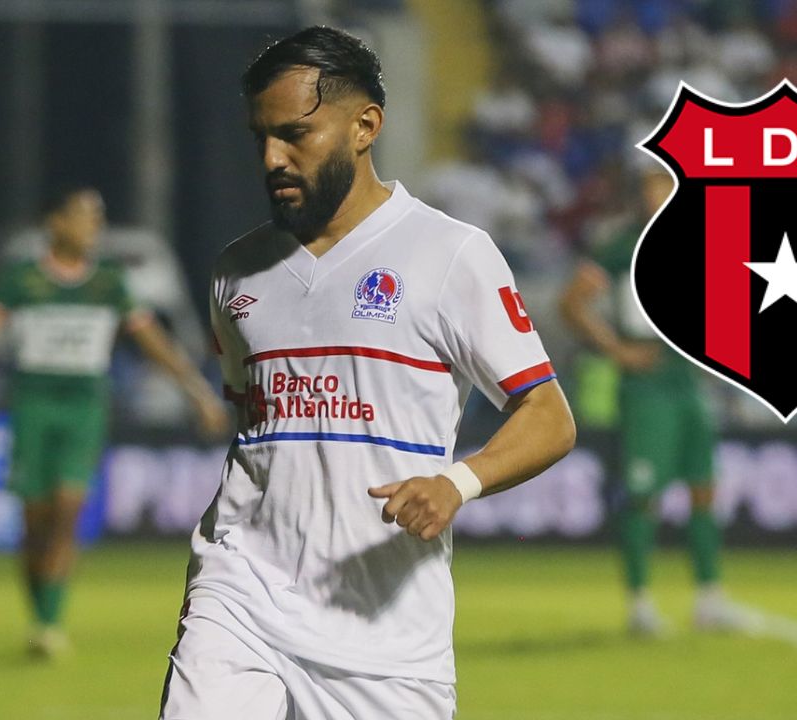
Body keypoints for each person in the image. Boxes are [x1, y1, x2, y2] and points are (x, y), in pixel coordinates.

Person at [158, 26, 576, 719]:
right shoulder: (236, 270)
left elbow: (549, 417)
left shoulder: (449, 254)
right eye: (261, 137)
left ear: (365, 126)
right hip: (241, 594)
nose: (272, 158)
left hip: (384, 634)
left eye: (295, 134)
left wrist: (457, 482)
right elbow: (255, 429)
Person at [0, 186, 228, 657]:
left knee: (67, 509)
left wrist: (198, 391)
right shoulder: (22, 278)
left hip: (84, 406)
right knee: (35, 521)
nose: (93, 228)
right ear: (56, 223)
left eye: (97, 219)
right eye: (83, 217)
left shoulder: (108, 281)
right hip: (33, 404)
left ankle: (49, 624)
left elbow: (152, 340)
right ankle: (40, 609)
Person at [560, 168, 744, 636]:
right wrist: (616, 349)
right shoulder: (622, 246)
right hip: (646, 388)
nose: (657, 198)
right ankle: (639, 603)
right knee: (644, 494)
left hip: (687, 384)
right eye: (650, 190)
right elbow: (572, 302)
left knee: (704, 487)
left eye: (665, 189)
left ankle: (709, 599)